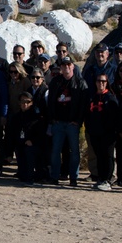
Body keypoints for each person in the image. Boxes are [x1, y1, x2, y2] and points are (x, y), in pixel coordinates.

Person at [47, 56, 88, 186]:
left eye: (68, 65)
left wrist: (78, 120)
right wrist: (52, 118)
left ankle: (74, 177)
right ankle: (54, 176)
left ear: (73, 66)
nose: (66, 67)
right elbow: (50, 101)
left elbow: (83, 104)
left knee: (74, 151)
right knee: (55, 151)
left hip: (72, 123)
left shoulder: (80, 83)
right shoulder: (56, 82)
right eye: (64, 65)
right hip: (58, 122)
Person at [84, 74, 122, 191]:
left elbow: (115, 117)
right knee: (99, 156)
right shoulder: (93, 97)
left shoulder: (110, 98)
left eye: (103, 81)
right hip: (95, 133)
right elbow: (88, 114)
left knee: (108, 156)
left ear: (106, 83)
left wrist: (111, 130)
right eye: (99, 81)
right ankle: (100, 178)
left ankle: (107, 179)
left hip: (108, 134)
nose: (101, 83)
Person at [5, 91, 42, 185]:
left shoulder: (37, 117)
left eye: (27, 102)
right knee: (22, 176)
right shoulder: (16, 117)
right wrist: (9, 153)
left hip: (32, 144)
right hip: (20, 144)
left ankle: (31, 176)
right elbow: (10, 135)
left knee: (29, 152)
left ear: (31, 103)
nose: (25, 104)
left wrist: (32, 140)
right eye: (22, 101)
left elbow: (40, 133)